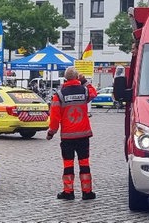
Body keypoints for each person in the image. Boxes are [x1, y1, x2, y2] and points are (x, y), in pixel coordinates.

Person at [46, 66, 98, 200]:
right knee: (84, 163)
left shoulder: (59, 95)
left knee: (68, 164)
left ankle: (68, 192)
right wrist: (84, 81)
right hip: (83, 135)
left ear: (65, 79)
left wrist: (51, 132)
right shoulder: (84, 90)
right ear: (77, 78)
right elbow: (94, 93)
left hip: (68, 137)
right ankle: (87, 192)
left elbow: (55, 117)